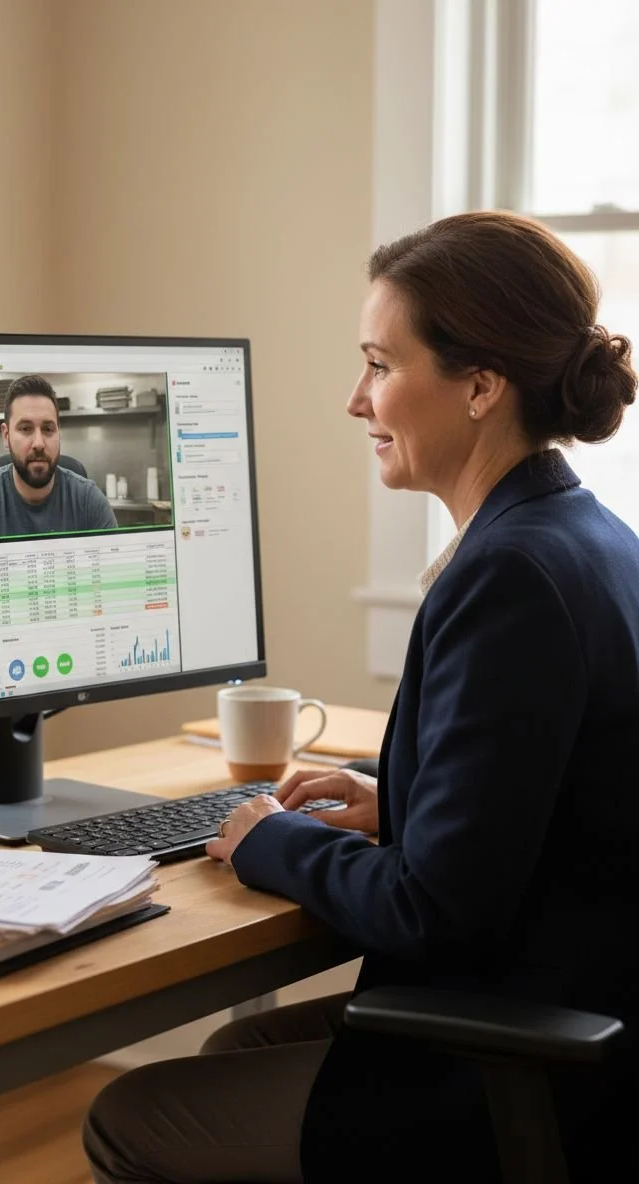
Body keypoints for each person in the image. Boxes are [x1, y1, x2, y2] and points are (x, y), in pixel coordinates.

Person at [83, 210, 639, 1183]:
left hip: (525, 1068)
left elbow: (436, 911)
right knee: (230, 1055)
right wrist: (403, 806)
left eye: (381, 363)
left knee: (132, 1113)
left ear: (479, 384)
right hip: (579, 1010)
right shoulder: (588, 537)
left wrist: (270, 838)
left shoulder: (510, 577)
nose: (356, 398)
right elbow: (564, 802)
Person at [0, 374, 117, 540]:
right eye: (25, 429)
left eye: (48, 429)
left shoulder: (89, 501)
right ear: (6, 436)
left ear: (59, 434)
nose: (39, 443)